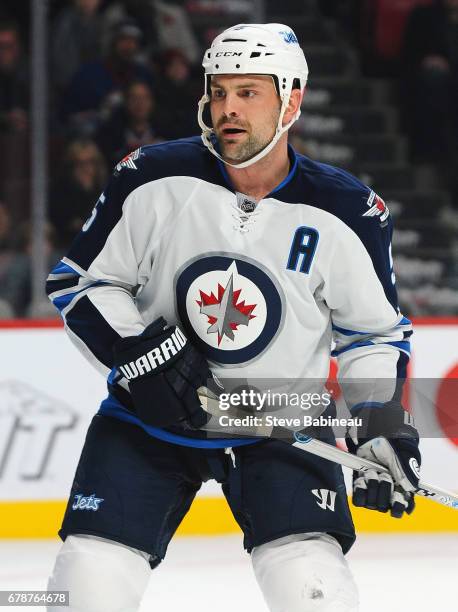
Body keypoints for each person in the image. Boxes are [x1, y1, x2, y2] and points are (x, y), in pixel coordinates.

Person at [45, 24, 420, 612]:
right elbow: (79, 283)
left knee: (314, 591)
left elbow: (371, 333)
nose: (228, 109)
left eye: (249, 93)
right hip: (149, 417)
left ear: (291, 99)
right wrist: (142, 356)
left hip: (281, 419)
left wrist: (379, 419)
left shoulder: (349, 211)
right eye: (219, 92)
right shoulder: (150, 177)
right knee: (85, 585)